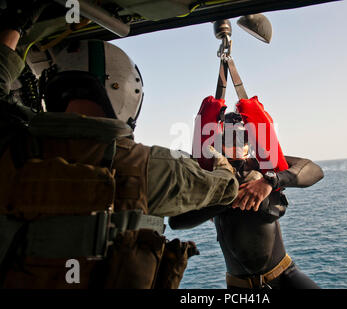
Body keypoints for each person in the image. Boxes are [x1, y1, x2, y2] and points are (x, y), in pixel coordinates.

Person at [0, 3, 238, 289]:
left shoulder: (10, 142)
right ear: (125, 92)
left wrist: (16, 24)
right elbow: (226, 188)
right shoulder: (151, 167)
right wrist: (222, 161)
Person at [170, 107, 324, 289]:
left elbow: (314, 170)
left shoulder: (263, 167)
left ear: (250, 142)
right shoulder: (211, 178)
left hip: (284, 276)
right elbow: (176, 221)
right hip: (239, 286)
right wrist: (226, 199)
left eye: (243, 138)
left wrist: (270, 182)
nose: (236, 143)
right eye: (229, 137)